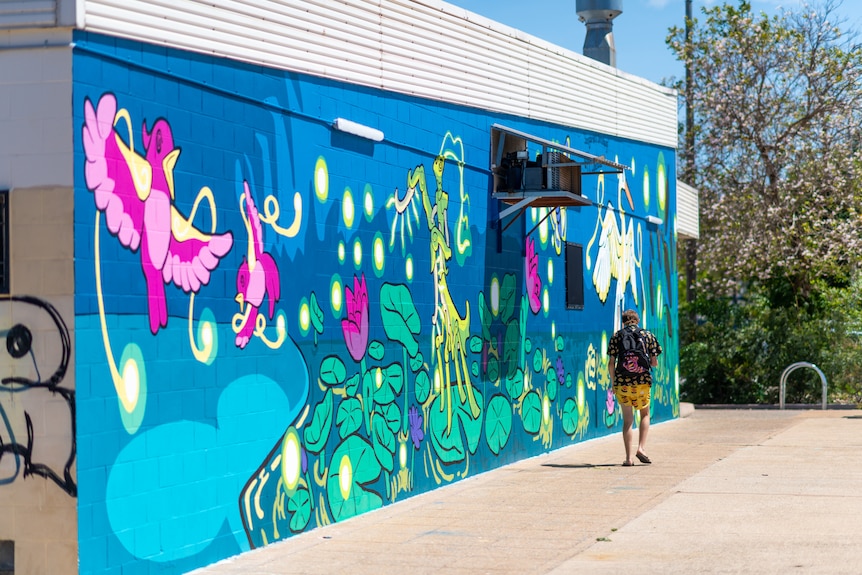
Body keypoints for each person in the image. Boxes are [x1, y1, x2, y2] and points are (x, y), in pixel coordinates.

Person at [607, 309, 662, 466]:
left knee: (627, 420)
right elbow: (654, 362)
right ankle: (641, 448)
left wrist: (613, 381)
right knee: (644, 414)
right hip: (642, 382)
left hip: (623, 382)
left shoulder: (617, 336)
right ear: (637, 320)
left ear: (624, 321)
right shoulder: (647, 335)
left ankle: (628, 458)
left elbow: (611, 363)